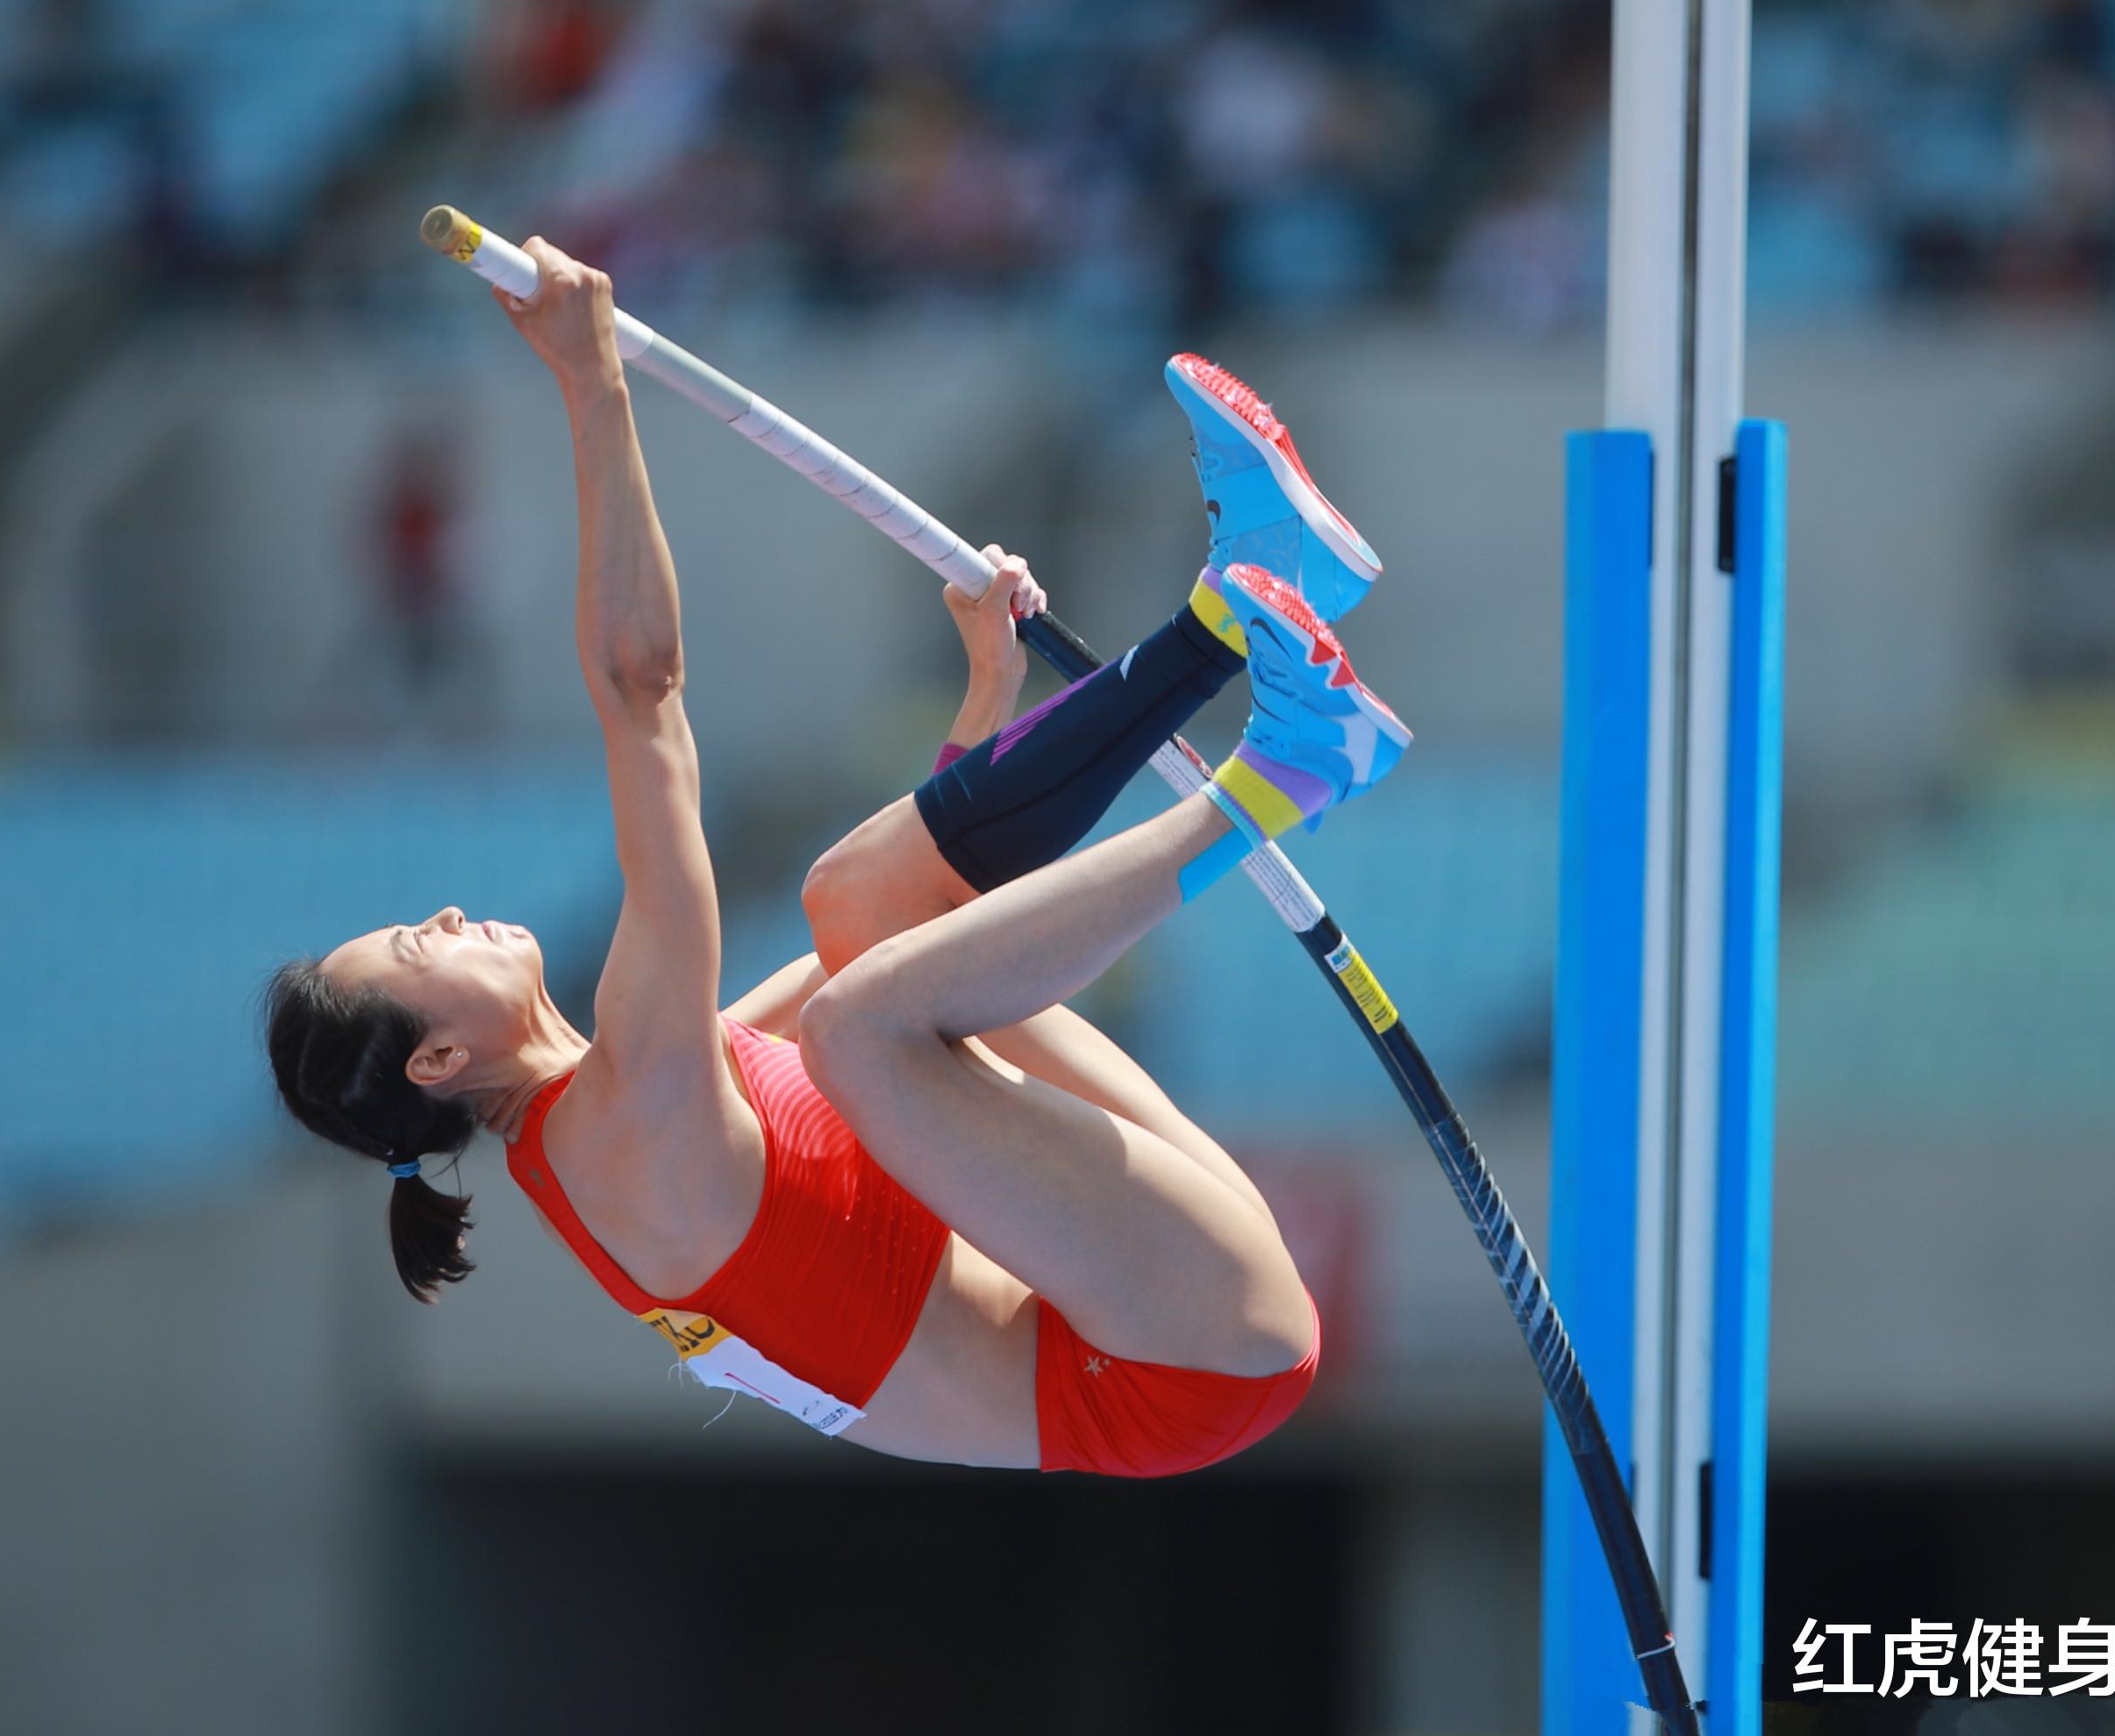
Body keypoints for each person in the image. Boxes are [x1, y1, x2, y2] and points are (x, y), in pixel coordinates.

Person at [264, 240, 1408, 1477]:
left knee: (854, 921)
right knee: (858, 1023)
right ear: (438, 1058)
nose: (440, 913)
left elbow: (899, 931)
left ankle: (1243, 604)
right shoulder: (620, 1133)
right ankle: (1294, 768)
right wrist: (593, 387)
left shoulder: (653, 1090)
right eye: (415, 949)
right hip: (1155, 1363)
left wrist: (985, 697)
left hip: (1139, 1292)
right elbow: (643, 695)